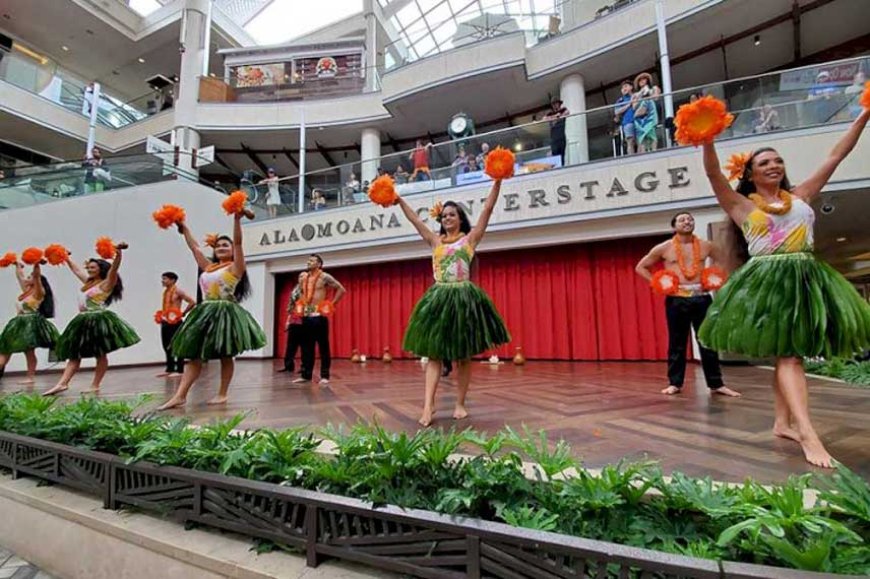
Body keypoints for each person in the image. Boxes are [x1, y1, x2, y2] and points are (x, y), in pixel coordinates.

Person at [696, 103, 870, 468]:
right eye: (765, 163)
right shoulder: (741, 205)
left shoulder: (802, 195)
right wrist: (707, 138)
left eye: (778, 161)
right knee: (789, 355)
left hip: (806, 279)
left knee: (789, 354)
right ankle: (807, 432)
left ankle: (782, 422)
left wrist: (864, 114)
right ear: (751, 173)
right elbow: (714, 176)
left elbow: (837, 154)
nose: (774, 165)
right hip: (769, 283)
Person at [396, 180, 511, 426]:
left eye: (452, 214)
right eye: (444, 215)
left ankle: (460, 403)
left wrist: (498, 181)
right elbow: (415, 221)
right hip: (438, 298)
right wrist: (399, 200)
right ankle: (428, 406)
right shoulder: (435, 242)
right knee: (434, 355)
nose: (447, 218)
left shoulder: (470, 240)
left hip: (463, 301)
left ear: (460, 218)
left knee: (463, 356)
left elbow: (488, 210)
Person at [157, 213, 267, 409]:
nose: (221, 248)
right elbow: (194, 247)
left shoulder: (235, 267)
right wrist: (184, 226)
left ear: (233, 249)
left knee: (226, 354)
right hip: (205, 312)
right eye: (218, 246)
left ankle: (222, 393)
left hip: (225, 312)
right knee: (194, 354)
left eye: (226, 245)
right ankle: (180, 395)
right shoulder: (208, 267)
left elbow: (240, 243)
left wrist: (236, 219)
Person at [635, 213, 741, 397]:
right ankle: (675, 383)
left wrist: (713, 277)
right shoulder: (664, 248)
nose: (687, 222)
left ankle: (716, 384)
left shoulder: (706, 245)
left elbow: (723, 259)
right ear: (674, 226)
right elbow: (641, 267)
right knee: (677, 342)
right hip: (677, 299)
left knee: (707, 341)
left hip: (701, 297)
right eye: (682, 220)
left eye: (690, 219)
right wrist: (658, 283)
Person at [44, 244, 140, 396]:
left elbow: (114, 269)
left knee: (100, 353)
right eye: (88, 267)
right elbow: (76, 270)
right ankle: (62, 383)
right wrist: (66, 257)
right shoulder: (88, 282)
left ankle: (95, 384)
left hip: (97, 321)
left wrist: (118, 254)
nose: (89, 270)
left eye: (92, 268)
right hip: (82, 321)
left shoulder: (107, 283)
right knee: (74, 353)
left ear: (100, 269)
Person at [0, 261, 60, 384]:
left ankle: (30, 377)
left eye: (29, 277)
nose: (27, 278)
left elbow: (37, 276)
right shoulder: (26, 290)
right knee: (5, 348)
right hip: (18, 323)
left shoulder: (39, 293)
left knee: (28, 351)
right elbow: (20, 276)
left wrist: (36, 264)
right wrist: (17, 265)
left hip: (30, 324)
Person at [292, 254, 345, 386]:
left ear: (319, 264)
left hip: (319, 316)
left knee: (323, 347)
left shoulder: (324, 277)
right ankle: (306, 375)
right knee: (306, 347)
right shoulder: (304, 278)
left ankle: (325, 376)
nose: (308, 262)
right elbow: (302, 295)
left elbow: (341, 289)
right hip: (306, 315)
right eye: (308, 260)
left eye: (312, 260)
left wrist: (331, 304)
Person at [156, 272, 195, 378]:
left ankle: (180, 369)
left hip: (175, 322)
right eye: (162, 279)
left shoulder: (178, 291)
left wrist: (183, 313)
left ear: (172, 280)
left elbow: (192, 302)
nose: (162, 281)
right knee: (166, 345)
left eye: (165, 279)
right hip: (165, 321)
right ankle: (170, 368)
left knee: (177, 344)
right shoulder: (166, 292)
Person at [279, 273, 304, 374]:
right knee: (290, 345)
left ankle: (304, 367)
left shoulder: (309, 289)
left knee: (304, 346)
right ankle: (288, 366)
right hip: (294, 319)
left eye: (303, 276)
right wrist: (288, 320)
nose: (301, 278)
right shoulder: (295, 290)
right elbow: (291, 306)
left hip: (304, 320)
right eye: (300, 276)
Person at [633, 72, 661, 153]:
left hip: (650, 114)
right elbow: (634, 107)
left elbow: (656, 98)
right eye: (640, 80)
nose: (642, 81)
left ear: (647, 80)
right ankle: (644, 153)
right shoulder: (636, 94)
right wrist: (640, 95)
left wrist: (648, 93)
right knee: (642, 136)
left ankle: (654, 151)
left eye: (644, 79)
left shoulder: (653, 88)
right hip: (639, 118)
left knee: (651, 134)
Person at [543, 98, 569, 164]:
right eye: (553, 104)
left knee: (562, 155)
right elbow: (544, 119)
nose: (555, 105)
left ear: (559, 104)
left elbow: (567, 113)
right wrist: (555, 116)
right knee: (555, 156)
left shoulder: (563, 110)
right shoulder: (550, 113)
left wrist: (559, 116)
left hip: (561, 136)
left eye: (556, 103)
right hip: (554, 138)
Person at [614, 80, 636, 155]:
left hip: (639, 121)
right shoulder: (620, 100)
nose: (624, 89)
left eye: (626, 86)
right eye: (622, 88)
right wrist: (629, 104)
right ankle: (631, 157)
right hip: (628, 122)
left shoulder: (636, 96)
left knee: (641, 140)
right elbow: (617, 111)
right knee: (630, 141)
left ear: (631, 87)